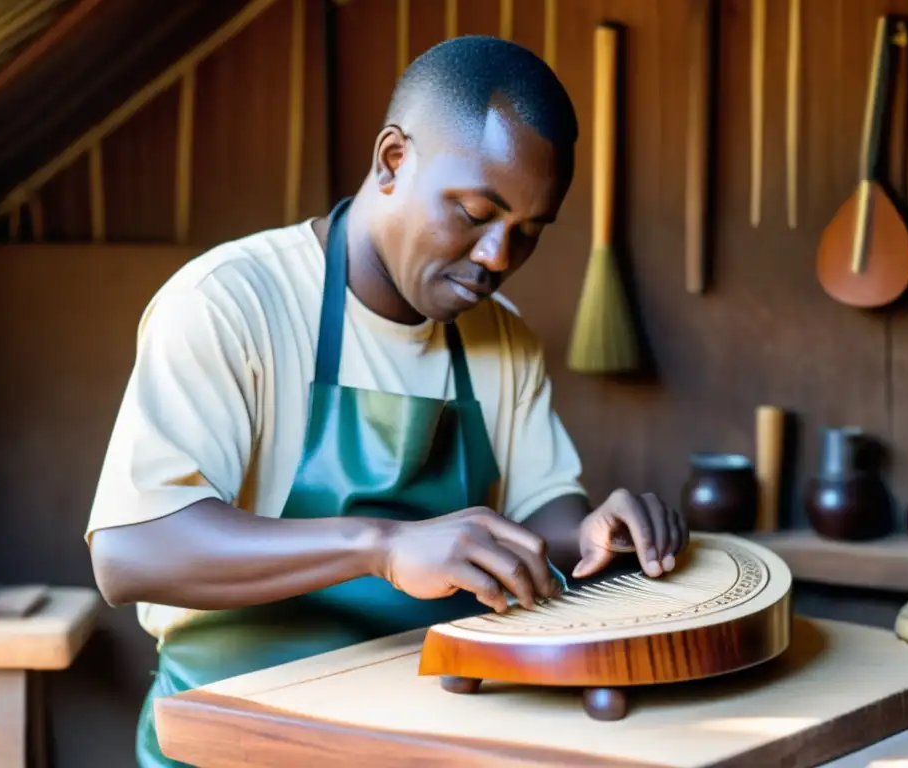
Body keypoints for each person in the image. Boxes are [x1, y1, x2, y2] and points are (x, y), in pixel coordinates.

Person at [84, 35, 688, 766]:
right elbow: (131, 550)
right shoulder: (231, 302)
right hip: (233, 737)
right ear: (393, 160)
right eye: (474, 212)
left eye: (527, 232)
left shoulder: (503, 339)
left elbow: (541, 515)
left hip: (429, 734)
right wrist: (383, 547)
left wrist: (592, 532)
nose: (498, 257)